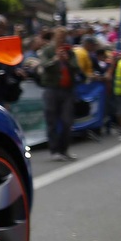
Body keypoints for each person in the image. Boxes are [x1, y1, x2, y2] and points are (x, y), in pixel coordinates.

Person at [37, 28, 84, 161]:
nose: (62, 40)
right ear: (54, 37)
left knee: (67, 121)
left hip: (67, 90)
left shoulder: (70, 51)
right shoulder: (48, 50)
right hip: (52, 88)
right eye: (59, 37)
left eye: (64, 37)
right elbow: (44, 65)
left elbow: (77, 68)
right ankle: (54, 150)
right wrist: (56, 59)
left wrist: (67, 60)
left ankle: (64, 149)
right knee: (51, 120)